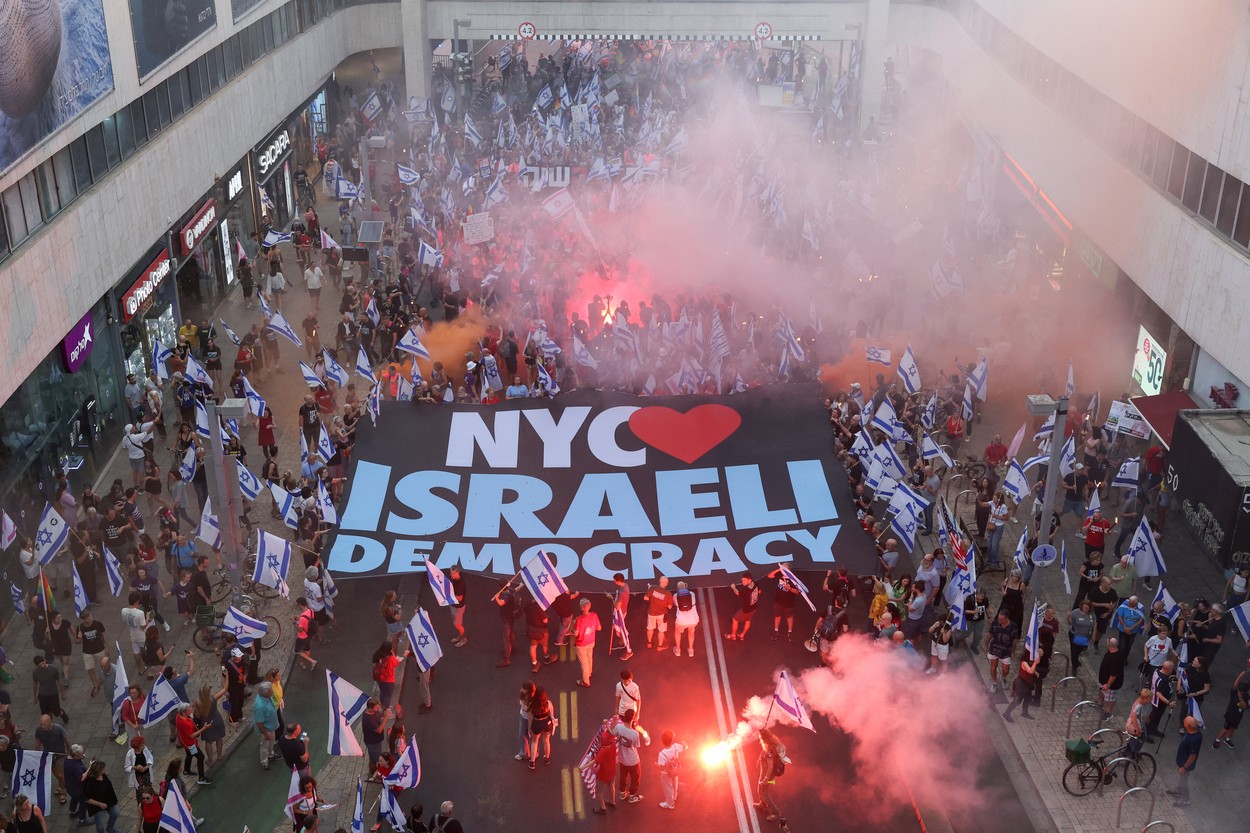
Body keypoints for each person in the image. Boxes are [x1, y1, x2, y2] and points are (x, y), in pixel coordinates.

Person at [613, 709, 650, 803]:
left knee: (623, 776)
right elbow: (637, 745)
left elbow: (613, 733)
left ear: (624, 717)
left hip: (622, 759)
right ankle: (632, 796)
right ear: (633, 718)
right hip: (633, 761)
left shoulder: (618, 727)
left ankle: (622, 793)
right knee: (635, 779)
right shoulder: (634, 734)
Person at [1212, 659, 1250, 748]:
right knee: (1226, 728)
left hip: (1238, 716)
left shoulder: (1246, 697)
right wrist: (1241, 675)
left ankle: (1227, 739)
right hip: (1230, 714)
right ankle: (1217, 740)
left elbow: (1244, 706)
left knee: (1233, 728)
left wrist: (1240, 697)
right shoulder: (1234, 692)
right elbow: (1235, 684)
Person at [1165, 716, 1202, 807]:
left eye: (1185, 722)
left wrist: (1184, 767)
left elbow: (1193, 756)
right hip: (1182, 762)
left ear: (1188, 726)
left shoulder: (1195, 739)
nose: (1183, 721)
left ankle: (1186, 799)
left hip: (1186, 765)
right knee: (1181, 779)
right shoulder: (1192, 732)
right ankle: (1179, 790)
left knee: (1183, 781)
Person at [32, 713, 70, 803]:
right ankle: (61, 784)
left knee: (61, 775)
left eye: (44, 724)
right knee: (56, 774)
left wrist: (69, 753)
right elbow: (38, 742)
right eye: (41, 724)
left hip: (60, 755)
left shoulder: (58, 729)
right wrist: (37, 754)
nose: (42, 726)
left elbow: (66, 741)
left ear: (50, 722)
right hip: (48, 756)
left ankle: (63, 792)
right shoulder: (39, 730)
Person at [754, 727, 787, 823]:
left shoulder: (769, 748)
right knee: (761, 789)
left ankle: (775, 812)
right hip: (764, 772)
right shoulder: (771, 742)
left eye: (760, 737)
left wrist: (766, 779)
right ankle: (763, 804)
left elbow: (770, 766)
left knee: (763, 791)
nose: (759, 738)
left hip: (769, 775)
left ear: (764, 738)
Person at [1000, 648, 1040, 722]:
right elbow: (1030, 671)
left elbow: (1032, 670)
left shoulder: (1030, 661)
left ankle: (1024, 713)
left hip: (1028, 684)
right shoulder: (1024, 662)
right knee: (1017, 701)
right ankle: (1006, 714)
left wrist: (1035, 672)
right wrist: (1035, 663)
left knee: (1028, 698)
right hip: (1021, 684)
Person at [985, 610, 1019, 693]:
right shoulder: (995, 623)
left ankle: (1003, 677)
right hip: (994, 649)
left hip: (1006, 651)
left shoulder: (1013, 626)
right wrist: (986, 645)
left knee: (1006, 669)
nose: (999, 620)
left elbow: (1015, 640)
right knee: (993, 666)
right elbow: (990, 634)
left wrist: (1013, 651)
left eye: (1001, 619)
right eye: (999, 618)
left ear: (1007, 618)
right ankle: (994, 682)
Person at [82, 760, 120, 833]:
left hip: (109, 800)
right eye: (103, 769)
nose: (105, 769)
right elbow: (86, 798)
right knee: (99, 827)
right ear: (98, 772)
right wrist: (100, 804)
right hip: (97, 805)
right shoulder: (90, 782)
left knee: (115, 813)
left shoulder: (103, 775)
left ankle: (110, 828)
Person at [1098, 637, 1128, 722]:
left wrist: (1108, 685)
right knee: (1102, 692)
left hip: (1111, 684)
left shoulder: (1116, 658)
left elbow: (1113, 675)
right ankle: (1100, 703)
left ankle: (1108, 712)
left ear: (1109, 645)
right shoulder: (1112, 652)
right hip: (1104, 680)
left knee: (1110, 699)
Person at [573, 598, 601, 688]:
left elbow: (576, 633)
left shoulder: (578, 619)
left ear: (581, 608)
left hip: (581, 644)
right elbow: (599, 628)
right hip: (591, 641)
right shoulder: (594, 615)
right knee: (590, 657)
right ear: (589, 606)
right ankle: (589, 673)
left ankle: (586, 681)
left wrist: (573, 628)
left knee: (584, 663)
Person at [31, 656, 68, 724]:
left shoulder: (53, 669)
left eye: (43, 663)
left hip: (53, 694)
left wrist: (63, 694)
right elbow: (35, 684)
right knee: (46, 712)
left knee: (56, 711)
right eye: (40, 665)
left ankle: (61, 713)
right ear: (37, 666)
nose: (42, 666)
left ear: (45, 660)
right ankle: (50, 724)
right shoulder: (35, 672)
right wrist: (34, 697)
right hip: (42, 695)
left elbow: (59, 681)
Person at [590, 722, 618, 815]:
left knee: (599, 790)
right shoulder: (613, 744)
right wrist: (607, 725)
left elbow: (595, 761)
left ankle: (603, 808)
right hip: (612, 772)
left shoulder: (603, 750)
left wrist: (582, 768)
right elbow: (612, 734)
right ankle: (613, 802)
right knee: (611, 786)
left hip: (603, 774)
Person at [766, 568, 799, 641]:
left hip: (789, 603)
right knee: (777, 615)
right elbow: (770, 576)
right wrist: (778, 569)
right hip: (778, 601)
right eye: (782, 569)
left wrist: (789, 588)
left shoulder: (793, 579)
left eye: (784, 570)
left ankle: (790, 632)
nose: (782, 571)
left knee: (789, 617)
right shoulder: (780, 574)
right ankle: (776, 630)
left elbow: (797, 592)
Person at [253, 681, 281, 770]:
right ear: (265, 693)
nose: (272, 692)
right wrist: (265, 733)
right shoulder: (260, 706)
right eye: (270, 691)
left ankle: (271, 754)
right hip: (266, 729)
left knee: (272, 741)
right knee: (264, 746)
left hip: (271, 727)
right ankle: (264, 761)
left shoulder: (267, 697)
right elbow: (259, 723)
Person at [526, 686, 555, 770]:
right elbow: (552, 715)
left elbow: (530, 719)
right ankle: (547, 758)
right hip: (547, 723)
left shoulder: (532, 705)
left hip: (537, 724)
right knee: (546, 740)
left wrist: (529, 728)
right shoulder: (548, 703)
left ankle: (532, 762)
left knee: (534, 742)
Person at [726, 573, 760, 641]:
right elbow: (759, 591)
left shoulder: (746, 591)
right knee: (748, 621)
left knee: (735, 619)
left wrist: (733, 587)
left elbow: (737, 593)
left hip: (745, 610)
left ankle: (733, 635)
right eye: (742, 580)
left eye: (744, 580)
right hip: (753, 608)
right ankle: (742, 635)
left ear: (749, 580)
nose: (742, 582)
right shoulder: (755, 584)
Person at [371, 642, 407, 707]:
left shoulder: (376, 655)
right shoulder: (390, 658)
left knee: (382, 692)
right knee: (388, 695)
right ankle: (385, 709)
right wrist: (403, 655)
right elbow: (396, 663)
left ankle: (382, 705)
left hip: (378, 678)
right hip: (388, 679)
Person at [656, 730, 685, 810]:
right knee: (675, 782)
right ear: (672, 740)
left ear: (662, 741)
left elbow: (662, 767)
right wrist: (684, 744)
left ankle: (670, 803)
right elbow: (684, 747)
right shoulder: (676, 746)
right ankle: (674, 796)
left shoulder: (662, 754)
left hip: (666, 774)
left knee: (668, 787)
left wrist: (656, 765)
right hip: (675, 769)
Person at [643, 577, 674, 649]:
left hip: (651, 613)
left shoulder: (653, 588)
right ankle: (660, 646)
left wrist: (652, 597)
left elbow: (645, 598)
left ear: (659, 581)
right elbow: (670, 607)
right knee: (661, 631)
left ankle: (649, 643)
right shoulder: (668, 593)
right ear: (666, 583)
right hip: (662, 615)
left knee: (650, 628)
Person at [672, 581, 699, 658]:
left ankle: (678, 650)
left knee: (677, 632)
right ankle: (691, 650)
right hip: (693, 619)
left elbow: (675, 604)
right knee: (691, 632)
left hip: (681, 620)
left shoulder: (675, 595)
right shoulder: (692, 594)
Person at [1068, 599, 1095, 673]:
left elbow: (1094, 624)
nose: (1085, 609)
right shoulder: (1075, 612)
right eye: (1084, 607)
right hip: (1075, 635)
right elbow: (1070, 622)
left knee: (1081, 649)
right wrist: (1069, 616)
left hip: (1086, 636)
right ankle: (1074, 667)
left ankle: (1076, 660)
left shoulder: (1091, 615)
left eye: (1087, 608)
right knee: (1074, 652)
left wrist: (1093, 635)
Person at [448, 566, 468, 647]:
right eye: (451, 573)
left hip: (459, 607)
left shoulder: (460, 583)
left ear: (458, 573)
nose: (452, 575)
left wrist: (448, 595)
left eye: (454, 574)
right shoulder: (455, 579)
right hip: (453, 605)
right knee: (456, 623)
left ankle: (464, 639)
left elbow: (460, 598)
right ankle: (460, 636)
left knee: (458, 625)